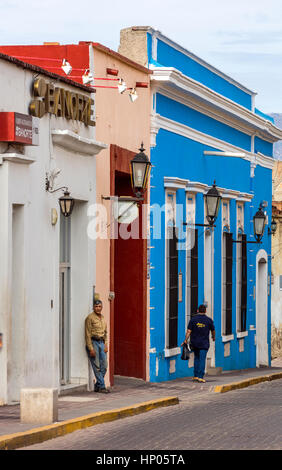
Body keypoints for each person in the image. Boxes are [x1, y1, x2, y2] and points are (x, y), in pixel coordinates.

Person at [182, 304, 215, 383]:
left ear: (197, 310)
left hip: (195, 343)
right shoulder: (209, 320)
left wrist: (185, 340)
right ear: (205, 311)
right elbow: (213, 330)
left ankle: (195, 376)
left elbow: (189, 331)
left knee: (196, 358)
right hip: (204, 343)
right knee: (202, 359)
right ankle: (200, 376)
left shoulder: (193, 320)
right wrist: (213, 337)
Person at [85, 299, 110, 393]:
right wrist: (90, 348)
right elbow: (87, 334)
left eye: (99, 306)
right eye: (96, 306)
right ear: (93, 307)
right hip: (93, 342)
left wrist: (106, 344)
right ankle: (102, 387)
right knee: (97, 367)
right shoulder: (90, 318)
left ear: (102, 307)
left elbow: (105, 333)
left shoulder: (102, 318)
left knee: (104, 366)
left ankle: (97, 385)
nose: (98, 308)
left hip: (101, 343)